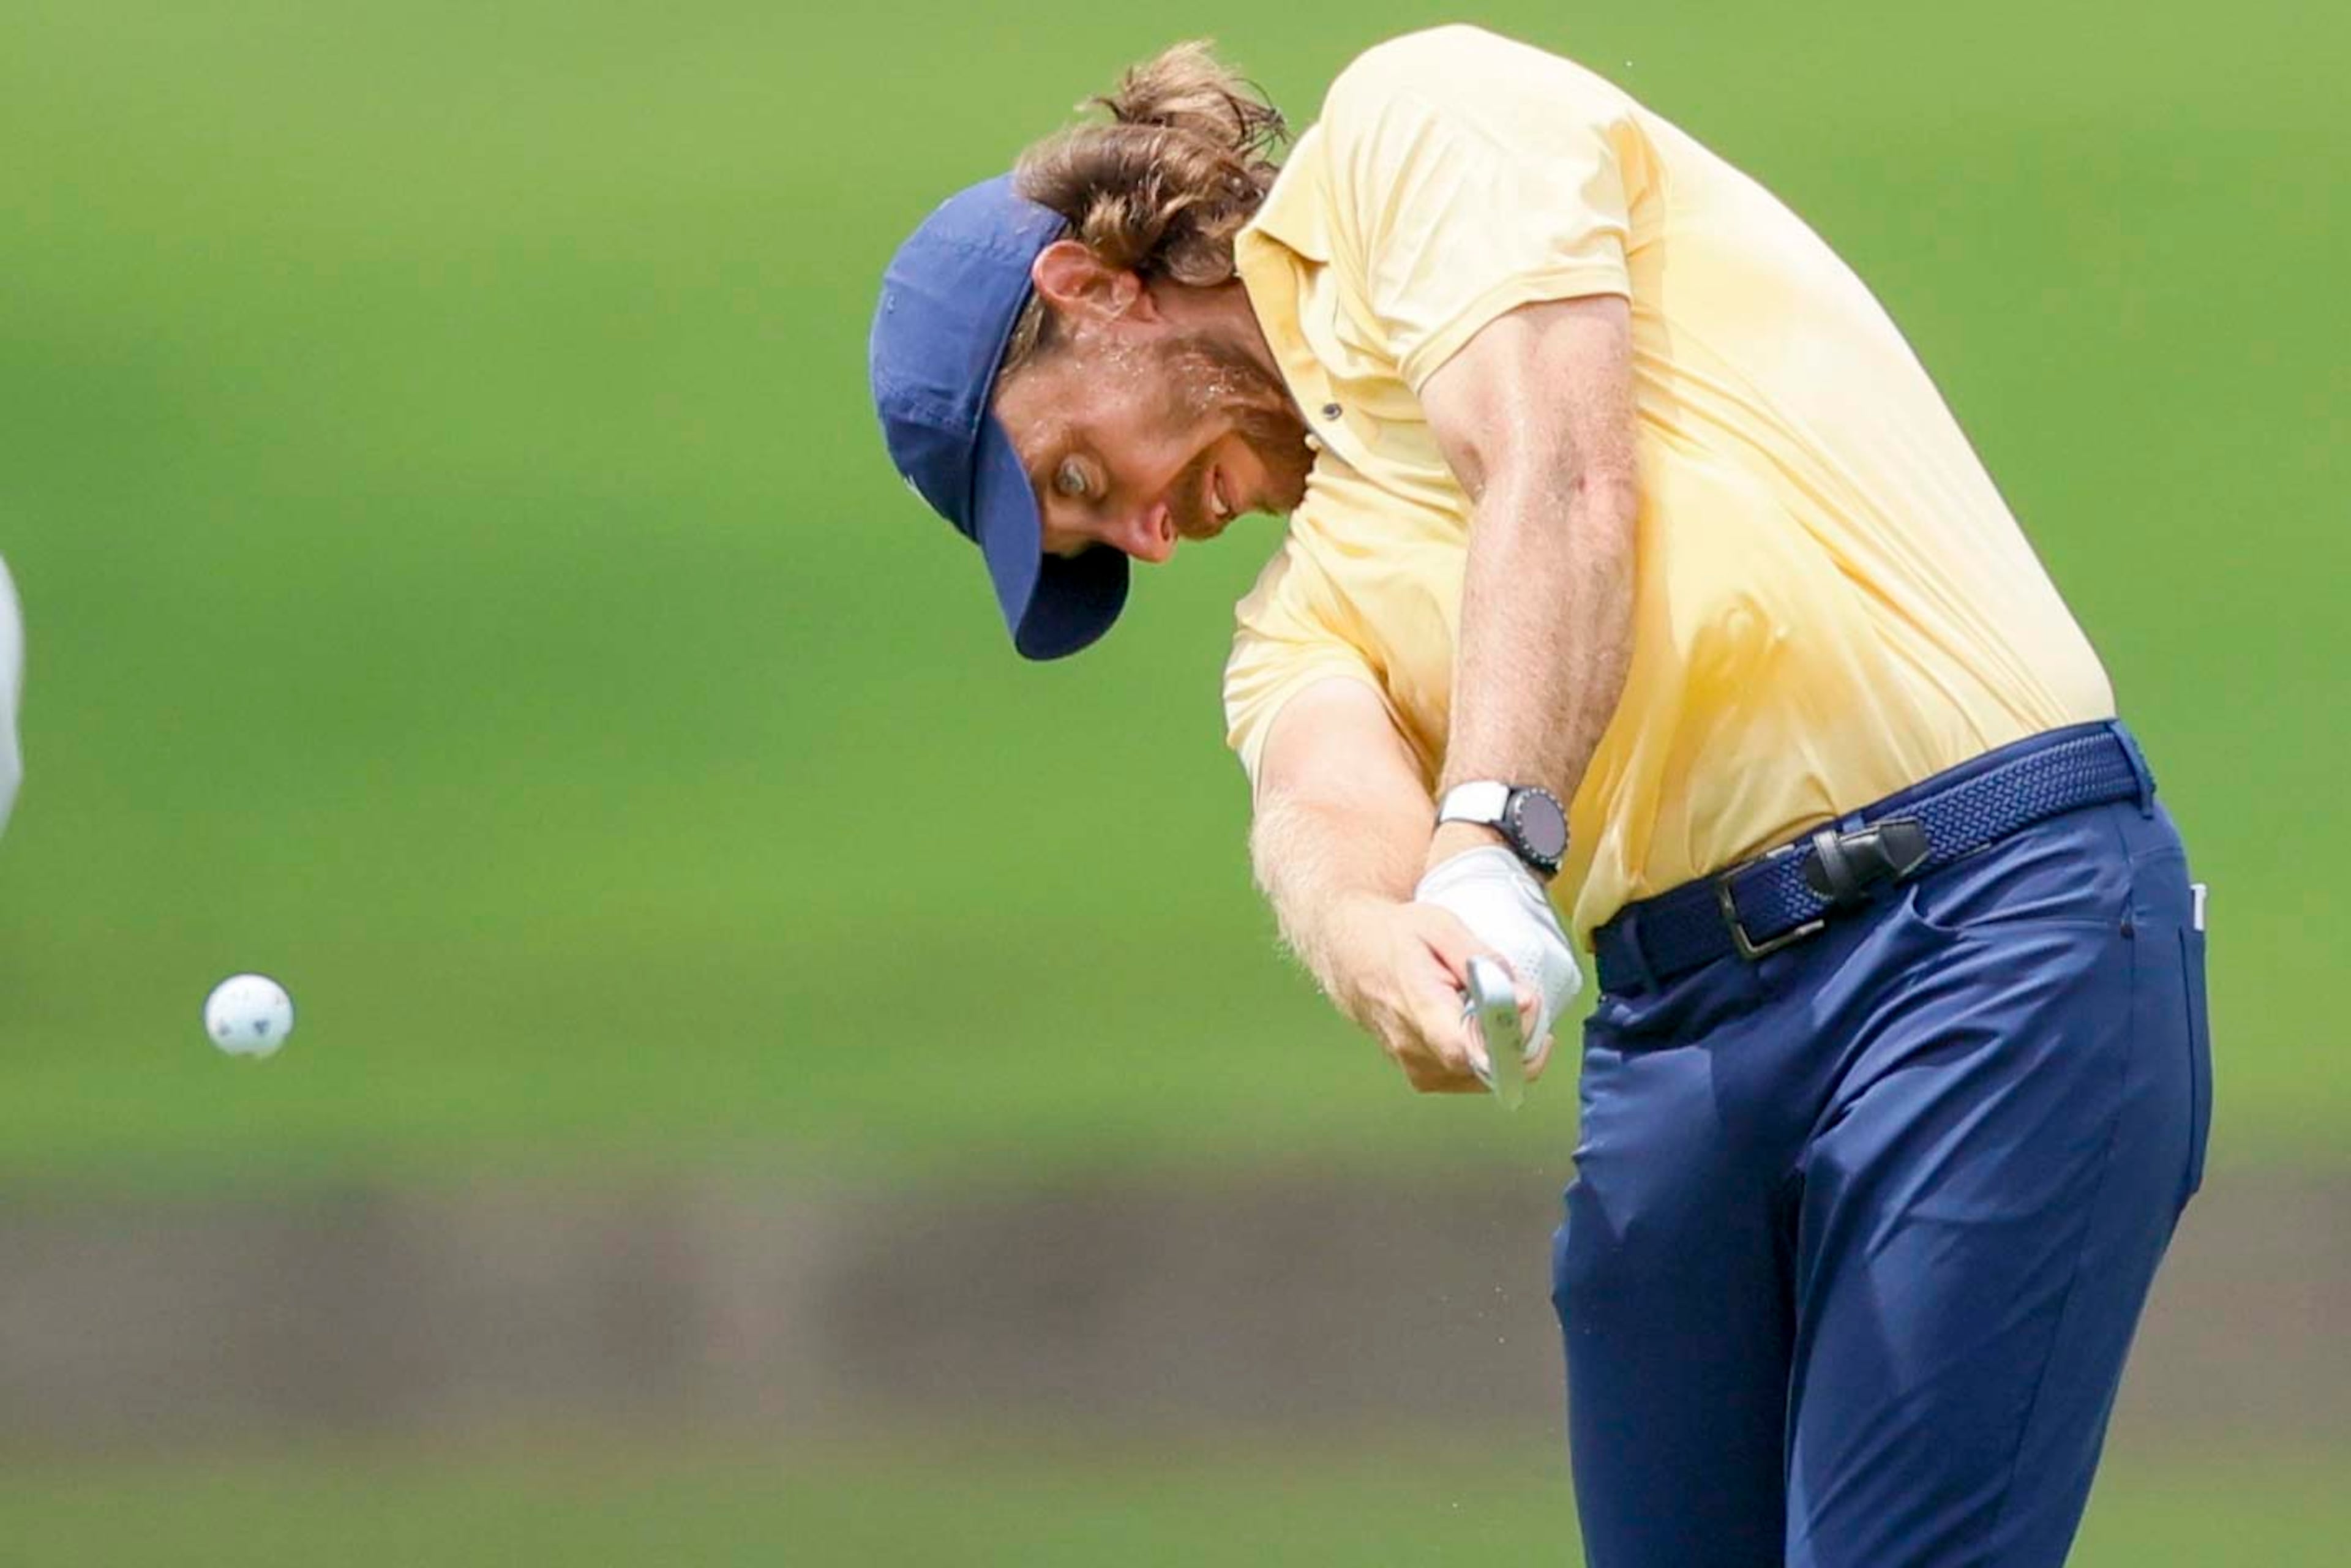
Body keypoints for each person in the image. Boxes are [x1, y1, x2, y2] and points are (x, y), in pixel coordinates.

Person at [869, 25, 2209, 1568]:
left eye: (1083, 480)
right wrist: (1377, 943)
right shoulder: (1304, 603)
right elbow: (1315, 790)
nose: (1148, 541)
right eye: (1097, 547)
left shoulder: (1412, 131)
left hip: (1984, 922)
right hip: (1683, 1047)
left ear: (1091, 292)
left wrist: (1490, 834)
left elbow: (1560, 474)